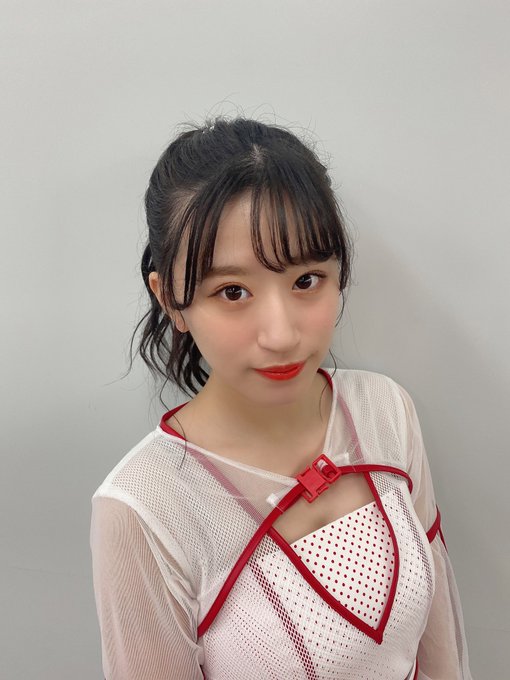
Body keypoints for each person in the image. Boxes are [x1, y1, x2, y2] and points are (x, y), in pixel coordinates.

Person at [90, 117, 472, 679]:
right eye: (233, 291)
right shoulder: (144, 509)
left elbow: (439, 648)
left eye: (306, 281)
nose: (282, 334)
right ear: (171, 299)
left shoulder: (385, 410)